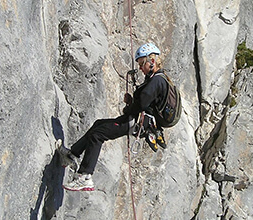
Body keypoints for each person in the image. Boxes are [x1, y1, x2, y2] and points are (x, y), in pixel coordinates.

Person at [57, 43, 170, 191]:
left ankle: (85, 176)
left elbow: (142, 104)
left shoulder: (157, 80)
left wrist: (130, 105)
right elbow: (146, 102)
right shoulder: (157, 79)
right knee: (98, 124)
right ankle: (71, 154)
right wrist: (131, 102)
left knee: (98, 135)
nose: (141, 68)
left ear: (152, 61)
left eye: (142, 64)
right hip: (137, 121)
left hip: (136, 122)